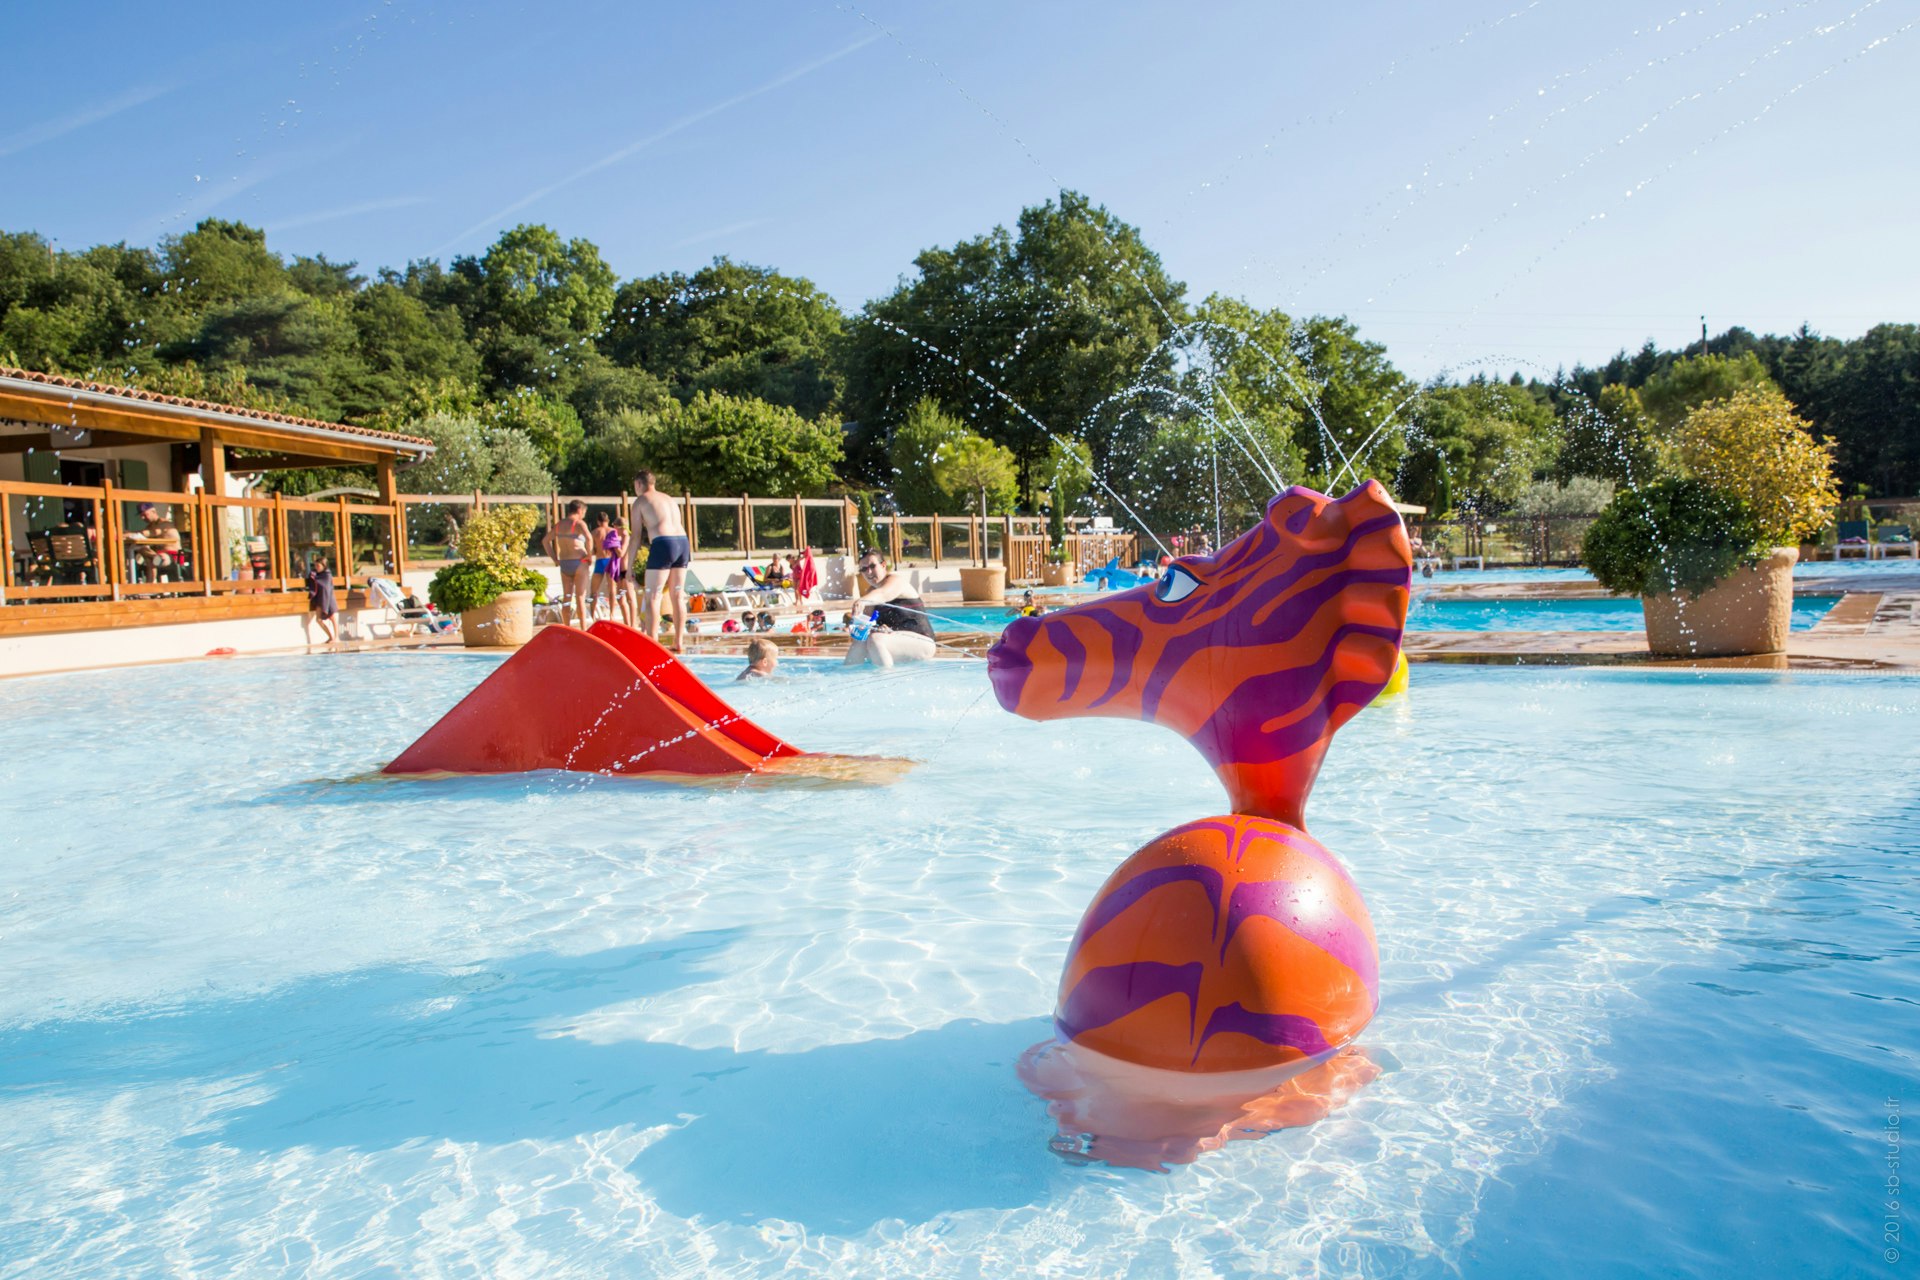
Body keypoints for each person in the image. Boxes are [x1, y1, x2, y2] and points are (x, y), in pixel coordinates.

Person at [845, 549, 938, 667]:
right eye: (864, 569)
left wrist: (862, 601)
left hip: (924, 643)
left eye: (872, 566)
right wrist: (865, 628)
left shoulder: (896, 581)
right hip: (896, 642)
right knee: (860, 641)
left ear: (883, 565)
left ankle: (886, 676)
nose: (869, 572)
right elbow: (864, 628)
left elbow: (884, 594)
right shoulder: (870, 594)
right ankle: (845, 673)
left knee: (876, 639)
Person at [632, 470, 690, 651]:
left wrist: (628, 567)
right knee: (678, 595)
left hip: (663, 543)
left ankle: (653, 645)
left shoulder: (641, 501)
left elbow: (635, 537)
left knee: (653, 595)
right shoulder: (669, 499)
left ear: (638, 484)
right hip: (683, 543)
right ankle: (678, 642)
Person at [542, 500, 593, 628]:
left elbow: (545, 541)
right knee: (580, 597)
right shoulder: (579, 523)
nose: (584, 515)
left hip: (565, 562)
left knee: (567, 597)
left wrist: (555, 559)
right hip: (579, 562)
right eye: (584, 512)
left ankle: (567, 627)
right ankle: (583, 629)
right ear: (580, 510)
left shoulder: (559, 525)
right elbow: (589, 538)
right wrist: (589, 555)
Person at [305, 555, 337, 644]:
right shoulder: (316, 574)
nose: (316, 568)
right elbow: (314, 582)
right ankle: (330, 637)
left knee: (332, 618)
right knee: (318, 620)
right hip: (320, 599)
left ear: (324, 565)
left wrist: (315, 579)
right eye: (315, 565)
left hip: (328, 599)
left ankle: (336, 637)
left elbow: (325, 586)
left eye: (318, 566)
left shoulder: (327, 575)